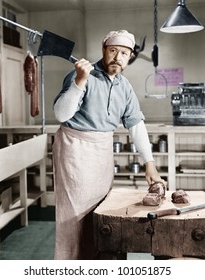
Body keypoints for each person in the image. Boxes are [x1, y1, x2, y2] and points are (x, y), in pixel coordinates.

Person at [52, 30, 166, 260]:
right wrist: (79, 81)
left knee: (100, 209)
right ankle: (71, 265)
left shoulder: (124, 87)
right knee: (74, 215)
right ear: (104, 50)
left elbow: (136, 125)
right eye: (113, 50)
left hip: (102, 150)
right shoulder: (81, 75)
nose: (118, 56)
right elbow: (61, 114)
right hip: (74, 148)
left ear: (130, 57)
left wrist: (149, 163)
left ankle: (101, 265)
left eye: (124, 53)